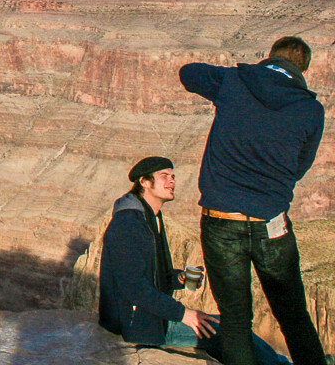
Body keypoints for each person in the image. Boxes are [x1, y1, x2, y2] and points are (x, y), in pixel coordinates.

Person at [181, 37, 327, 365]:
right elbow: (299, 167)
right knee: (294, 317)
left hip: (221, 222)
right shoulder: (311, 109)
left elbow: (189, 73)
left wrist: (240, 74)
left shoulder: (234, 82)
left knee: (235, 321)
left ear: (269, 57)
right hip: (272, 224)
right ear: (302, 70)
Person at [99, 157, 289, 363]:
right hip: (137, 324)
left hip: (152, 316)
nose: (172, 181)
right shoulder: (128, 223)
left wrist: (179, 278)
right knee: (229, 332)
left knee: (228, 326)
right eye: (164, 176)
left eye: (173, 176)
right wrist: (184, 314)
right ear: (144, 182)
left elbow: (151, 276)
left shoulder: (150, 217)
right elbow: (133, 287)